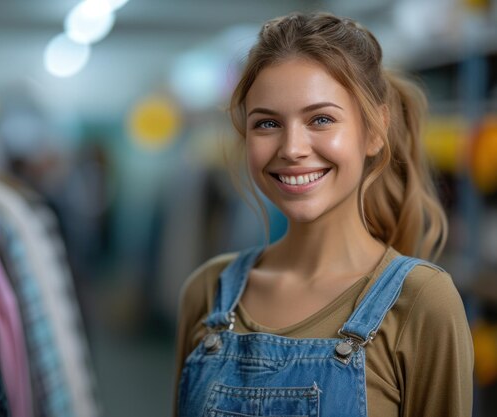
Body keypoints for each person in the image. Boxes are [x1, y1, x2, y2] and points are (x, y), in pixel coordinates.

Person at [173, 11, 474, 417]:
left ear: (375, 130)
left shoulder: (422, 301)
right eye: (267, 123)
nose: (292, 148)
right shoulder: (207, 291)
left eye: (321, 119)